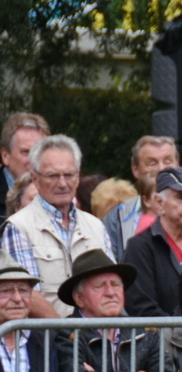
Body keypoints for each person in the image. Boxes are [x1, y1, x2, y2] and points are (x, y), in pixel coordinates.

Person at [1, 134, 113, 318]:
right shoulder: (18, 226)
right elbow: (28, 295)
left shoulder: (96, 226)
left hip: (95, 341)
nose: (62, 183)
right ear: (35, 179)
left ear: (78, 176)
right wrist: (67, 335)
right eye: (53, 175)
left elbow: (111, 285)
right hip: (46, 341)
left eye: (69, 175)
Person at [121, 167, 182, 317]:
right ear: (159, 203)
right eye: (181, 197)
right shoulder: (140, 247)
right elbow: (142, 309)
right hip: (157, 339)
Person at [100, 135, 179, 256]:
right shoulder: (116, 218)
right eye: (152, 163)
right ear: (135, 170)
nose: (161, 169)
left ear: (178, 165)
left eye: (167, 161)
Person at [0, 113, 48, 215]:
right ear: (5, 156)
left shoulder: (59, 193)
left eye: (40, 152)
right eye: (26, 152)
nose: (34, 160)